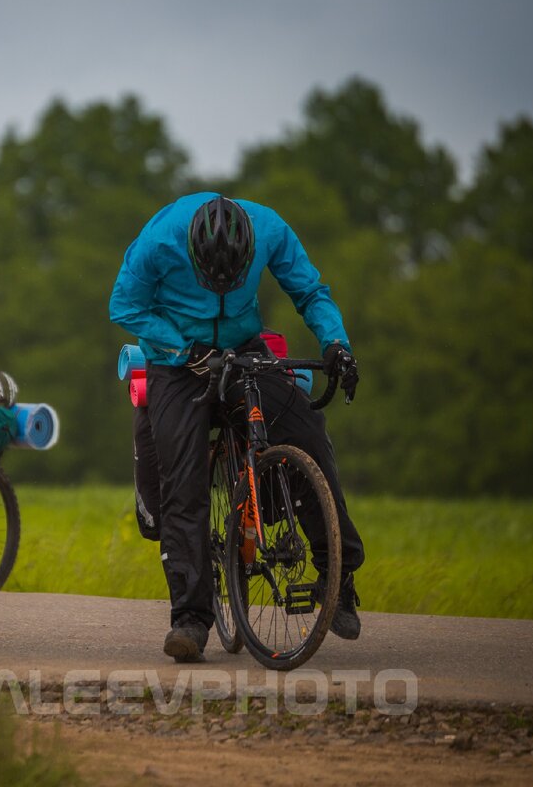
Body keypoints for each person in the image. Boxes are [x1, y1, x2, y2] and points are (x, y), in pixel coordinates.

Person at [109, 193, 364, 663]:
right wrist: (182, 348)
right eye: (211, 278)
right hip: (176, 358)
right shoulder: (159, 238)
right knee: (182, 480)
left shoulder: (269, 228)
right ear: (191, 252)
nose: (221, 284)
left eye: (234, 277)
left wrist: (336, 344)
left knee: (307, 430)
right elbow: (124, 305)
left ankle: (337, 572)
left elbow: (309, 291)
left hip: (243, 347)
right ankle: (190, 618)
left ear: (250, 252)